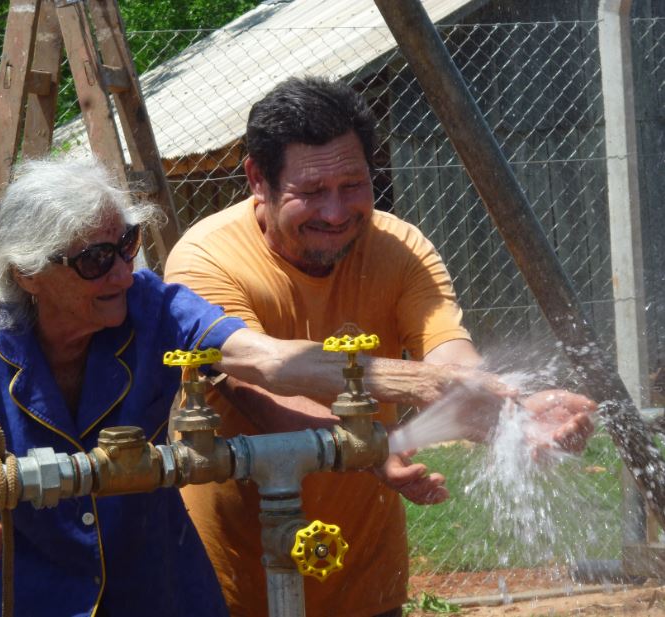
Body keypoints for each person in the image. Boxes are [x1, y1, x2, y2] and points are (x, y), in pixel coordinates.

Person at [0, 156, 512, 617]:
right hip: (30, 594)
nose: (123, 271)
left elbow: (265, 361)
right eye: (96, 259)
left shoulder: (153, 304)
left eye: (128, 245)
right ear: (29, 274)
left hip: (159, 586)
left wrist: (426, 382)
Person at [164, 76, 595, 617]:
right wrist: (374, 446)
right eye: (312, 192)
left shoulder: (401, 246)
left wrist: (513, 414)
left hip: (365, 581)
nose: (338, 211)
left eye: (354, 184)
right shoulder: (205, 260)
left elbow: (449, 354)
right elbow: (257, 390)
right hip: (231, 585)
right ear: (258, 179)